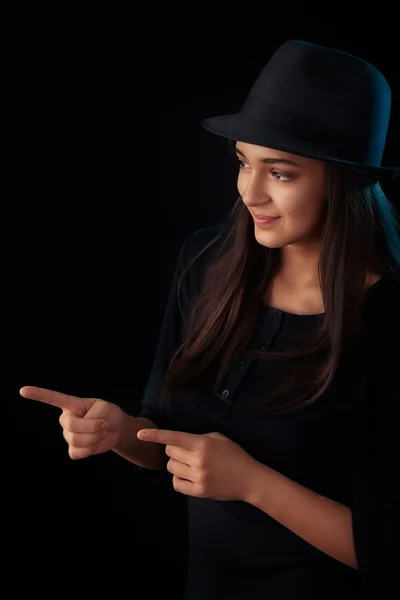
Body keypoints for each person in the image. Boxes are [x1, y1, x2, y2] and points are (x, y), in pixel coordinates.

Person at [20, 39, 400, 599]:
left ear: (344, 181)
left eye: (282, 173)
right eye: (244, 162)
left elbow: (388, 551)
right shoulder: (207, 263)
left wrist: (251, 483)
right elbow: (164, 432)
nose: (250, 191)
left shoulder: (387, 319)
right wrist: (119, 431)